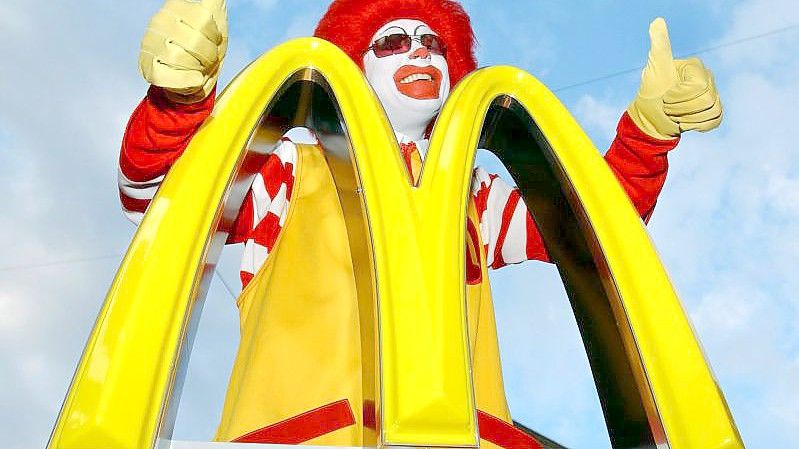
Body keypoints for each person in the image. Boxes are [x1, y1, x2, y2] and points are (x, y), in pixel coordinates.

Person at [119, 0, 722, 446]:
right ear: (355, 65)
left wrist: (648, 131)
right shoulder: (292, 170)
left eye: (433, 42)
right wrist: (180, 104)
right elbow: (163, 194)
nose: (419, 51)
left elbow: (590, 230)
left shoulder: (470, 194)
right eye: (393, 41)